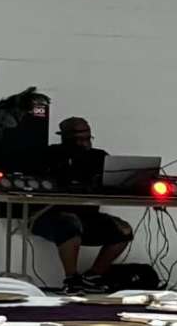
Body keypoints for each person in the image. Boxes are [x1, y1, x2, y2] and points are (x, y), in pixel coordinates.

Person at [27, 118, 136, 291]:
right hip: (47, 216)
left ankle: (93, 277)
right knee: (69, 223)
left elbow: (114, 184)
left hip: (87, 218)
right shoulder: (48, 156)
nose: (84, 143)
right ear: (65, 138)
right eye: (79, 139)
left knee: (123, 230)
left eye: (87, 138)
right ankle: (72, 280)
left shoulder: (99, 157)